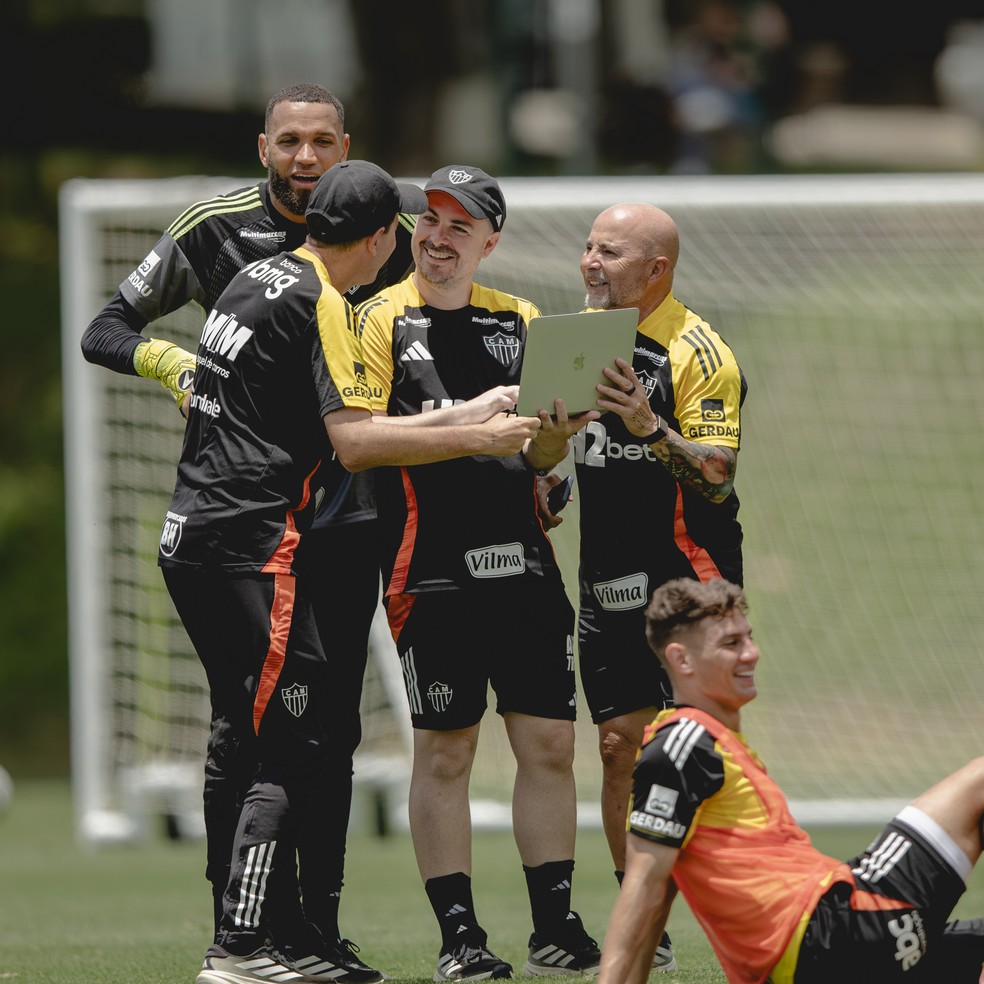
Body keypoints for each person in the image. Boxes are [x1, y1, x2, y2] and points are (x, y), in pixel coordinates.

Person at [158, 159, 545, 984]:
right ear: (377, 240)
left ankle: (292, 942)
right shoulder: (328, 304)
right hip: (253, 548)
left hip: (193, 540)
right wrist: (477, 438)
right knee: (288, 744)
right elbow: (358, 441)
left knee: (266, 734)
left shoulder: (258, 276)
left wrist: (472, 412)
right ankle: (240, 947)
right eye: (401, 236)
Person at [80, 82, 413, 981]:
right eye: (290, 142)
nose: (306, 158)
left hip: (343, 526)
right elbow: (104, 328)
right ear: (262, 145)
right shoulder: (211, 231)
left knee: (327, 727)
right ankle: (239, 932)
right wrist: (176, 363)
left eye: (322, 143)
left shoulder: (387, 237)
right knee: (254, 728)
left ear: (346, 147)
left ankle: (311, 930)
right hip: (256, 526)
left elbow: (405, 364)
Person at [355, 165, 602, 981]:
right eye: (429, 220)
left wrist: (558, 440)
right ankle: (460, 936)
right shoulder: (375, 320)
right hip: (426, 569)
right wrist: (470, 435)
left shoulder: (523, 319)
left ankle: (555, 924)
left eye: (460, 226)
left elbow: (540, 451)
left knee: (551, 744)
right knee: (448, 751)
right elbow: (362, 439)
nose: (438, 237)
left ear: (489, 243)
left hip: (526, 567)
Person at [597, 577, 984, 983]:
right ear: (682, 659)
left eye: (749, 638)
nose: (751, 653)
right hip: (835, 933)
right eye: (731, 644)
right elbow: (643, 888)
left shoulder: (710, 744)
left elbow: (660, 892)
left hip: (828, 959)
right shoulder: (685, 741)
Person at [553, 201, 747, 972]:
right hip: (605, 577)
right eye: (589, 247)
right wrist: (545, 471)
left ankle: (742, 907)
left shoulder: (701, 351)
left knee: (711, 752)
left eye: (611, 252)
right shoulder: (574, 339)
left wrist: (649, 426)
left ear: (656, 270)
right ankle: (645, 924)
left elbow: (717, 476)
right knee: (616, 748)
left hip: (689, 582)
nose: (590, 263)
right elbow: (549, 447)